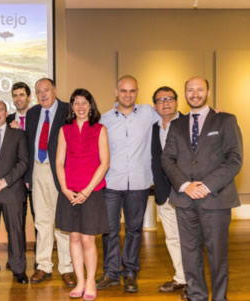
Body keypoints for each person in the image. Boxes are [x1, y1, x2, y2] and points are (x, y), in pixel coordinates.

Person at [162, 76, 243, 301]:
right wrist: (186, 185)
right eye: (190, 90)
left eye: (199, 89)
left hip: (216, 199)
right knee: (189, 254)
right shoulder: (177, 124)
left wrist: (206, 186)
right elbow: (167, 159)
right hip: (184, 199)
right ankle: (197, 295)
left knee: (217, 255)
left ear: (207, 91)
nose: (195, 93)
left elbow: (234, 159)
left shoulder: (225, 120)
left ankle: (219, 297)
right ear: (185, 93)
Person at [97, 75, 159, 293]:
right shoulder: (104, 120)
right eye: (123, 91)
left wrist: (212, 114)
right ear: (116, 91)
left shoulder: (148, 113)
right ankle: (111, 273)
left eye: (132, 91)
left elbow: (173, 116)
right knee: (110, 230)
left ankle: (130, 272)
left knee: (134, 229)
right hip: (112, 183)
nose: (127, 95)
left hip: (140, 183)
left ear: (137, 92)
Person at [55, 89, 110, 300]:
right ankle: (79, 281)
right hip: (69, 192)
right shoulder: (64, 130)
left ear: (90, 105)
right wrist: (65, 189)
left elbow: (104, 163)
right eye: (76, 103)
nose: (80, 107)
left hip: (92, 192)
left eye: (84, 102)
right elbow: (59, 163)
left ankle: (90, 282)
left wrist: (87, 190)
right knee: (74, 238)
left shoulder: (100, 129)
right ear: (72, 107)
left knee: (88, 239)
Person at [25, 78, 75, 287]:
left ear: (55, 90)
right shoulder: (33, 113)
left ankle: (67, 267)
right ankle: (43, 265)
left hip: (60, 173)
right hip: (37, 170)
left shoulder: (68, 110)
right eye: (38, 91)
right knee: (42, 221)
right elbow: (28, 145)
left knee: (62, 223)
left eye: (46, 90)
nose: (42, 94)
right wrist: (28, 176)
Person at [0, 100, 29, 284]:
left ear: (6, 112)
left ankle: (18, 269)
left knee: (16, 233)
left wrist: (4, 181)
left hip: (12, 191)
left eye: (1, 110)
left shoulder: (18, 134)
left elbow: (23, 162)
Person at [150, 86, 187, 299]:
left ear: (177, 101)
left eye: (169, 98)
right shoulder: (153, 127)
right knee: (172, 238)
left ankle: (193, 281)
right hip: (164, 192)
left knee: (190, 238)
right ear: (155, 105)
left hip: (186, 192)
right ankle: (181, 277)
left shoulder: (190, 123)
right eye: (160, 100)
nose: (165, 103)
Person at [6, 82, 35, 267]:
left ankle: (41, 261)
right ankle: (17, 259)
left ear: (29, 97)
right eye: (15, 95)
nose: (18, 98)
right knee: (16, 222)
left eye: (22, 94)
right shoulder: (7, 119)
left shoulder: (37, 117)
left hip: (34, 176)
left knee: (39, 219)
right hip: (14, 179)